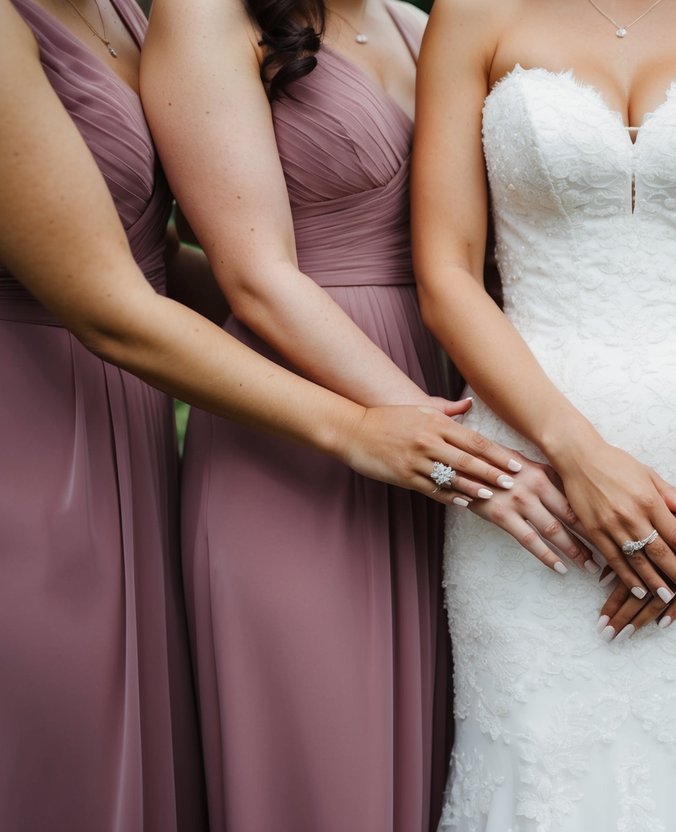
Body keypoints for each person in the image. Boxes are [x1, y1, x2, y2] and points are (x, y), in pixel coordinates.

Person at [0, 0, 535, 828]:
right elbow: (108, 297)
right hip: (33, 438)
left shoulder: (123, 11)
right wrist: (352, 413)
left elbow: (156, 262)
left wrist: (346, 324)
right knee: (59, 753)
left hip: (153, 424)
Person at [141, 0, 598, 827]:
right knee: (323, 762)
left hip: (446, 398)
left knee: (447, 759)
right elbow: (256, 278)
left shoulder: (419, 24)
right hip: (302, 427)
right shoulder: (208, 16)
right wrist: (449, 447)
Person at [411, 0, 676, 827]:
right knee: (541, 765)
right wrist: (575, 453)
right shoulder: (474, 16)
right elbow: (446, 272)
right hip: (534, 466)